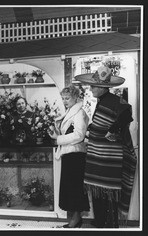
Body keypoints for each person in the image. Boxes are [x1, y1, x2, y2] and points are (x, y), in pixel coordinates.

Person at [75, 65, 137, 228]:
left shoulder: (115, 101)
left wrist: (114, 128)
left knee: (108, 196)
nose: (91, 88)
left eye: (94, 86)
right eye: (91, 85)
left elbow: (127, 113)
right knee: (100, 196)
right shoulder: (102, 102)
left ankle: (108, 226)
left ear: (104, 88)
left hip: (109, 160)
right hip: (99, 158)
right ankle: (101, 223)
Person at [49, 85, 90, 228]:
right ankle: (74, 218)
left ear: (75, 98)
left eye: (67, 98)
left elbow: (79, 135)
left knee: (75, 187)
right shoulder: (69, 112)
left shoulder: (80, 113)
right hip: (69, 153)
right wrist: (55, 133)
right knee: (70, 187)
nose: (64, 101)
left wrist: (58, 139)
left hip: (76, 154)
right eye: (63, 98)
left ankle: (76, 219)